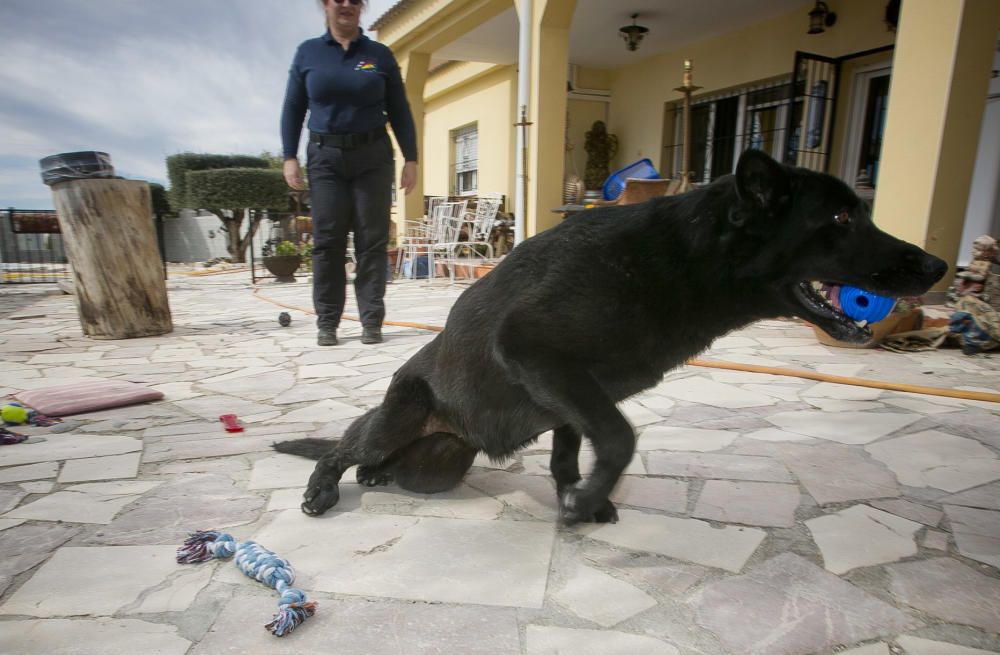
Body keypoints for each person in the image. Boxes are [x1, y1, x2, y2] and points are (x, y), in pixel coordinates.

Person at [281, 0, 418, 346]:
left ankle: (371, 320)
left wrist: (411, 158)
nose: (347, 4)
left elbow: (400, 109)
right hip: (325, 157)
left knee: (371, 242)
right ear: (326, 5)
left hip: (372, 157)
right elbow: (293, 108)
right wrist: (289, 156)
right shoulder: (308, 53)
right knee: (327, 242)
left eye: (355, 0)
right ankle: (327, 322)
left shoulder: (379, 55)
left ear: (361, 7)